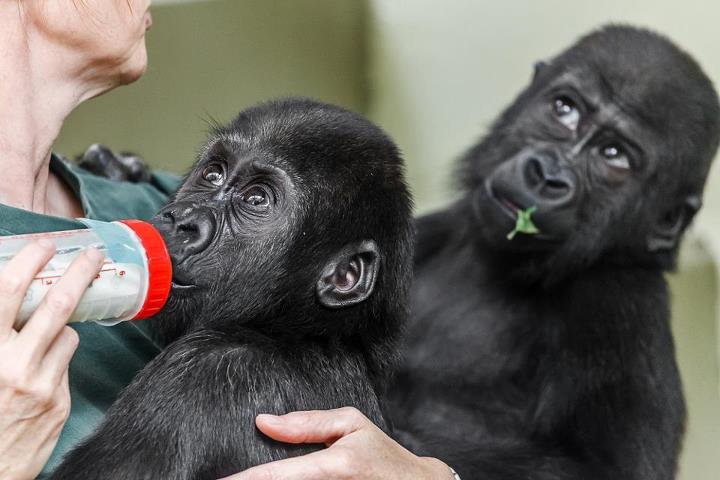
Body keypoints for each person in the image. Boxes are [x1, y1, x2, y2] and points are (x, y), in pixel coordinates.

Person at [0, 2, 453, 478]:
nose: (185, 218)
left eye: (256, 199)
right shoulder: (180, 221)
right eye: (212, 171)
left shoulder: (146, 205)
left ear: (343, 277)